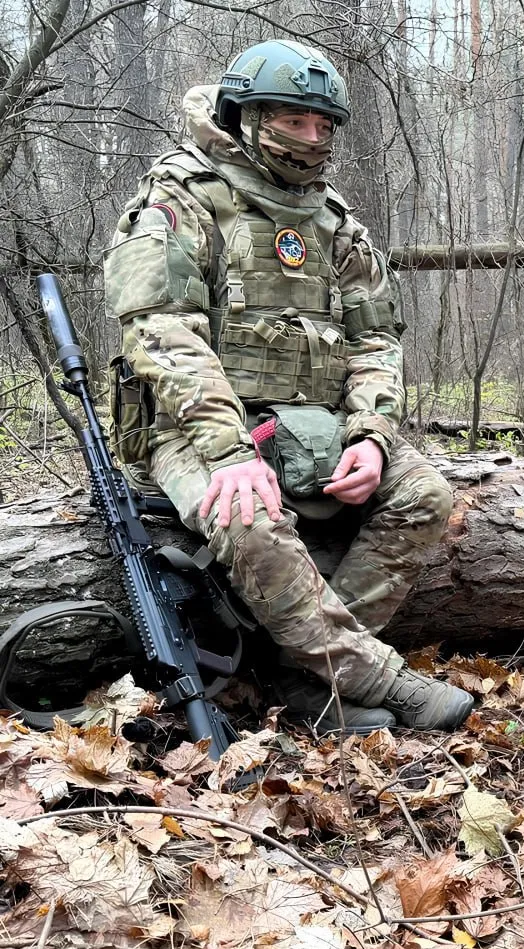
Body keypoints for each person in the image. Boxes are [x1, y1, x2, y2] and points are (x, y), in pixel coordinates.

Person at [101, 39, 475, 735]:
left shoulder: (333, 220)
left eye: (323, 125)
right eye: (293, 120)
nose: (311, 139)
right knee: (247, 516)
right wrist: (229, 450)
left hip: (313, 423)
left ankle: (300, 680)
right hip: (193, 425)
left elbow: (376, 341)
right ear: (245, 114)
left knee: (423, 494)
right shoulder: (182, 196)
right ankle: (372, 677)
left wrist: (370, 435)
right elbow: (161, 331)